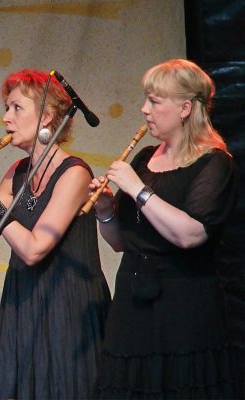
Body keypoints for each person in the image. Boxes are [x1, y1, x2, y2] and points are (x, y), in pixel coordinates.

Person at [0, 69, 111, 399]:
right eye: (6, 108)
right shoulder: (16, 173)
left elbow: (34, 249)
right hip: (25, 304)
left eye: (16, 108)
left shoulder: (74, 173)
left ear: (46, 116)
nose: (5, 118)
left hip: (67, 307)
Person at [90, 59, 238, 399]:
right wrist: (105, 211)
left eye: (155, 102)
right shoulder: (144, 158)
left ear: (185, 108)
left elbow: (190, 233)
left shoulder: (215, 163)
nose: (144, 110)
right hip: (133, 304)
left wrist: (138, 190)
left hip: (183, 309)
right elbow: (121, 243)